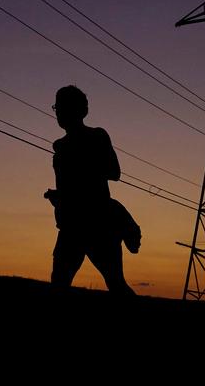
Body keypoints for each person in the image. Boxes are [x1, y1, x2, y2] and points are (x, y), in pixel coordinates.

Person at [44, 85, 135, 295]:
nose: (59, 113)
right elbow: (68, 185)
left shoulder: (97, 136)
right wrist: (59, 196)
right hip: (70, 225)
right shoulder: (59, 146)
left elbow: (114, 172)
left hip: (98, 225)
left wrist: (80, 167)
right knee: (59, 282)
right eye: (57, 108)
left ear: (81, 111)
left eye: (64, 107)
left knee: (116, 283)